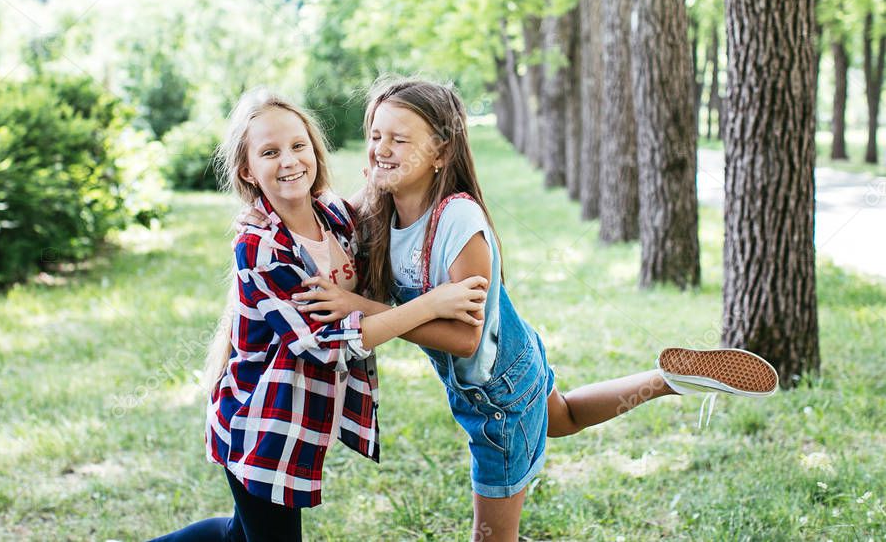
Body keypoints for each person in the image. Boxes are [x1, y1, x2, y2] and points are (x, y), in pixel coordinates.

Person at [242, 76, 779, 541]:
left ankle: (666, 382)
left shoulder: (458, 224)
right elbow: (319, 223)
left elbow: (466, 339)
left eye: (399, 139)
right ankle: (665, 379)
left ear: (442, 154)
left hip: (494, 388)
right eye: (376, 134)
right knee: (561, 417)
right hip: (515, 353)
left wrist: (358, 305)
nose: (381, 149)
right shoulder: (377, 207)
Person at [149, 90, 488, 542]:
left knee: (237, 535)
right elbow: (325, 344)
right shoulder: (260, 248)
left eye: (297, 146)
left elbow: (376, 246)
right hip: (260, 424)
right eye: (269, 152)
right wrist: (430, 305)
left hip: (301, 418)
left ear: (314, 150)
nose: (288, 161)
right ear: (248, 169)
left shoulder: (334, 214)